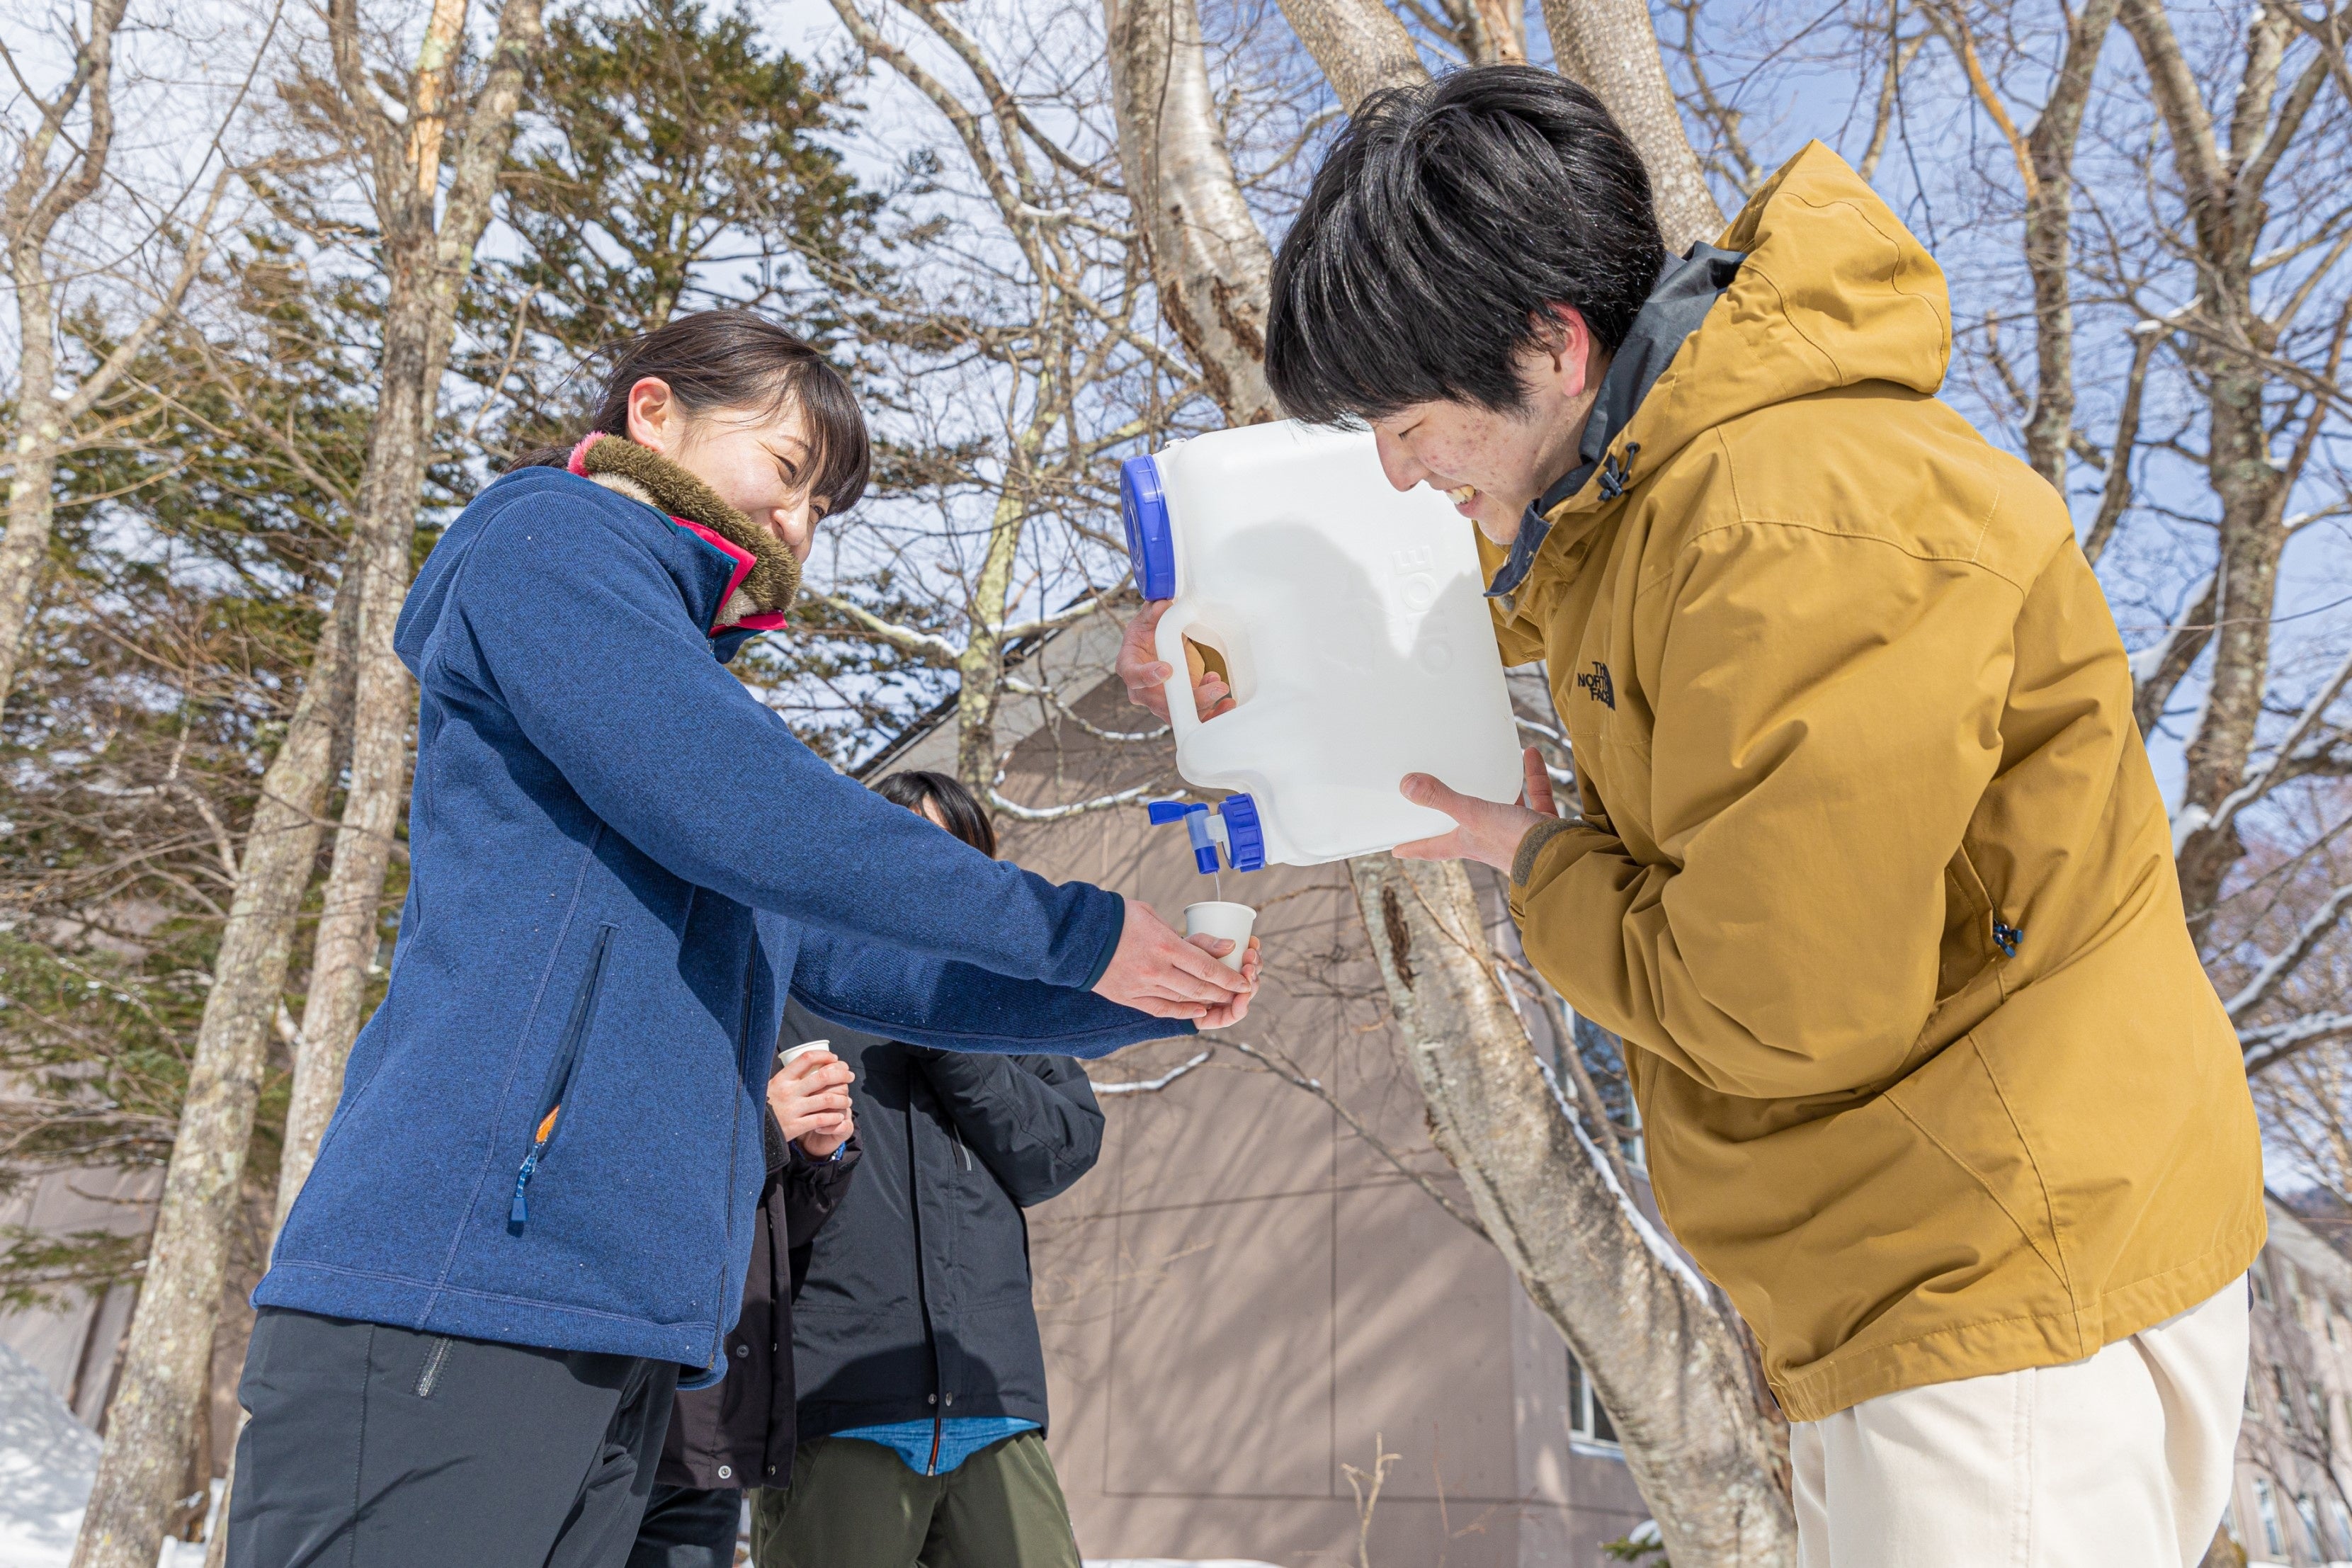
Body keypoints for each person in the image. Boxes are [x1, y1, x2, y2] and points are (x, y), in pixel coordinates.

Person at [1119, 68, 2260, 1567]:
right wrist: (1226, 659)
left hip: (2001, 1276)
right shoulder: (1656, 502)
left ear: (1552, 344)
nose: (1397, 468)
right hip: (1912, 1268)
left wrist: (1524, 858)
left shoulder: (1794, 527)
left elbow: (1777, 1007)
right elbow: (1487, 607)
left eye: (1410, 421)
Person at [231, 309, 1259, 1568]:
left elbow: (855, 958)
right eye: (785, 467)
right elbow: (744, 803)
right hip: (460, 1287)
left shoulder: (682, 711)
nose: (799, 521)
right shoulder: (548, 541)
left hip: (635, 1327)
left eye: (824, 502)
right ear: (653, 413)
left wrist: (1137, 990)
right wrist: (1071, 924)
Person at [750, 770, 1103, 1568]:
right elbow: (729, 1174)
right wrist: (781, 1130)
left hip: (995, 1405)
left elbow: (1058, 1153)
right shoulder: (792, 982)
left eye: (954, 856)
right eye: (905, 844)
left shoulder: (1007, 1000)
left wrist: (946, 1031)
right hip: (838, 1406)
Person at [627, 1043, 861, 1568]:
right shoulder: (619, 1004)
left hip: (707, 1427)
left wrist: (813, 1157)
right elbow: (601, 1175)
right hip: (604, 1414)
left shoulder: (752, 1021)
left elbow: (764, 1236)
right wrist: (759, 1127)